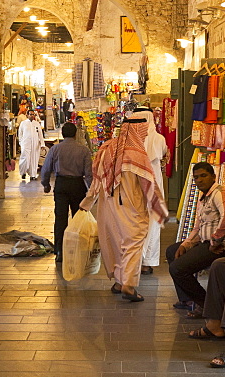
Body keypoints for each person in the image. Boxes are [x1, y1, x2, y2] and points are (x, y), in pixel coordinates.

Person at [79, 112, 168, 301]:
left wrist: (87, 204)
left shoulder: (106, 148)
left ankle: (119, 281)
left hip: (107, 205)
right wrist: (159, 210)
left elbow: (96, 180)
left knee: (115, 241)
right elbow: (148, 184)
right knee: (133, 242)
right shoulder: (136, 154)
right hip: (130, 205)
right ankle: (128, 285)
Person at [165, 161, 225, 313]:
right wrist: (186, 244)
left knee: (177, 268)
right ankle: (187, 298)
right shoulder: (203, 198)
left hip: (218, 247)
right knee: (172, 251)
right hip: (205, 243)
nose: (199, 180)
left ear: (213, 176)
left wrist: (215, 240)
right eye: (196, 178)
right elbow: (198, 227)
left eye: (203, 176)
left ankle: (206, 305)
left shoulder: (219, 193)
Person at [41, 121, 93, 262]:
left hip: (61, 185)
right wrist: (91, 191)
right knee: (78, 219)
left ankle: (59, 251)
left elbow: (46, 169)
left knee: (60, 218)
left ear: (63, 134)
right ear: (76, 134)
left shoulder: (55, 149)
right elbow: (88, 174)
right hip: (77, 185)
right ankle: (78, 248)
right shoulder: (84, 150)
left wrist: (45, 184)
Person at [140, 110, 168, 275]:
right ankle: (147, 262)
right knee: (153, 222)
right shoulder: (159, 139)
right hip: (154, 185)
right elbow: (163, 153)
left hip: (137, 186)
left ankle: (137, 260)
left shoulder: (132, 139)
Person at [18, 109, 45, 181]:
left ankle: (33, 175)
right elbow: (20, 134)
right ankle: (23, 172)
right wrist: (21, 143)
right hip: (25, 144)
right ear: (27, 115)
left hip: (35, 144)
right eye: (31, 114)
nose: (32, 116)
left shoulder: (37, 124)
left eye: (33, 114)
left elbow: (40, 134)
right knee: (25, 159)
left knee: (34, 159)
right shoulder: (23, 123)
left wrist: (42, 144)